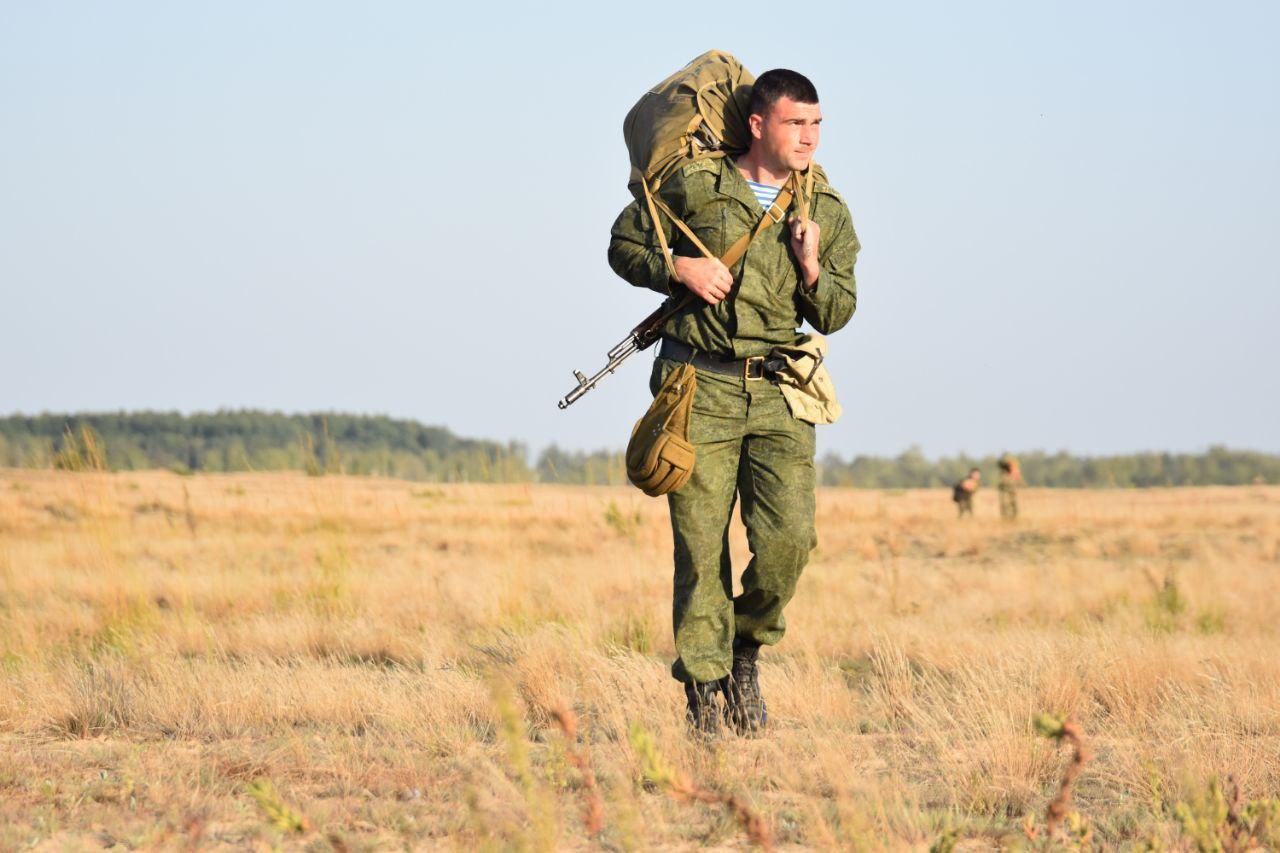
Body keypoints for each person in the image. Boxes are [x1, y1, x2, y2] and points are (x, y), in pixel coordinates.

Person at [608, 69, 860, 736]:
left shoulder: (824, 208)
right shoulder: (696, 184)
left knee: (788, 543)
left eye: (815, 125)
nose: (808, 137)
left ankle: (745, 647)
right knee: (698, 547)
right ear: (757, 124)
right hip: (699, 386)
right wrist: (678, 269)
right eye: (794, 123)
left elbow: (837, 309)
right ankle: (703, 689)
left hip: (779, 394)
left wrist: (811, 267)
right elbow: (624, 242)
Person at [998, 453, 1023, 520]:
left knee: (1013, 504)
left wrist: (1016, 475)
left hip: (1012, 490)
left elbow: (1021, 483)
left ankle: (1014, 518)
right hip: (1005, 490)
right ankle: (1006, 518)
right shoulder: (1004, 471)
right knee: (1005, 505)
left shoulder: (1015, 471)